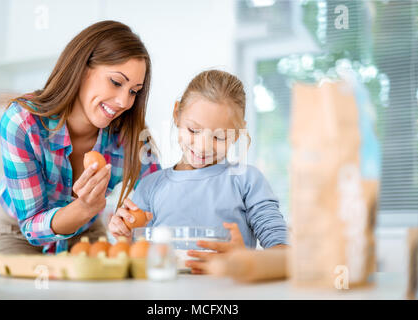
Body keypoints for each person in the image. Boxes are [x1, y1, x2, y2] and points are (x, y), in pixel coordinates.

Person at [0, 20, 160, 255]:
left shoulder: (130, 135)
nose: (125, 102)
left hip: (85, 234)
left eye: (134, 91)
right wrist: (83, 208)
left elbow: (159, 200)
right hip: (18, 234)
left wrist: (133, 223)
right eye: (116, 82)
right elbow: (31, 225)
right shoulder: (22, 122)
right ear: (82, 69)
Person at [109, 70, 288, 273]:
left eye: (219, 137)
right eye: (193, 130)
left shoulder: (246, 181)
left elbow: (284, 254)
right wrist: (125, 237)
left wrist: (245, 260)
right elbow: (138, 257)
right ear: (177, 114)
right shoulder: (150, 186)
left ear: (238, 133)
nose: (203, 147)